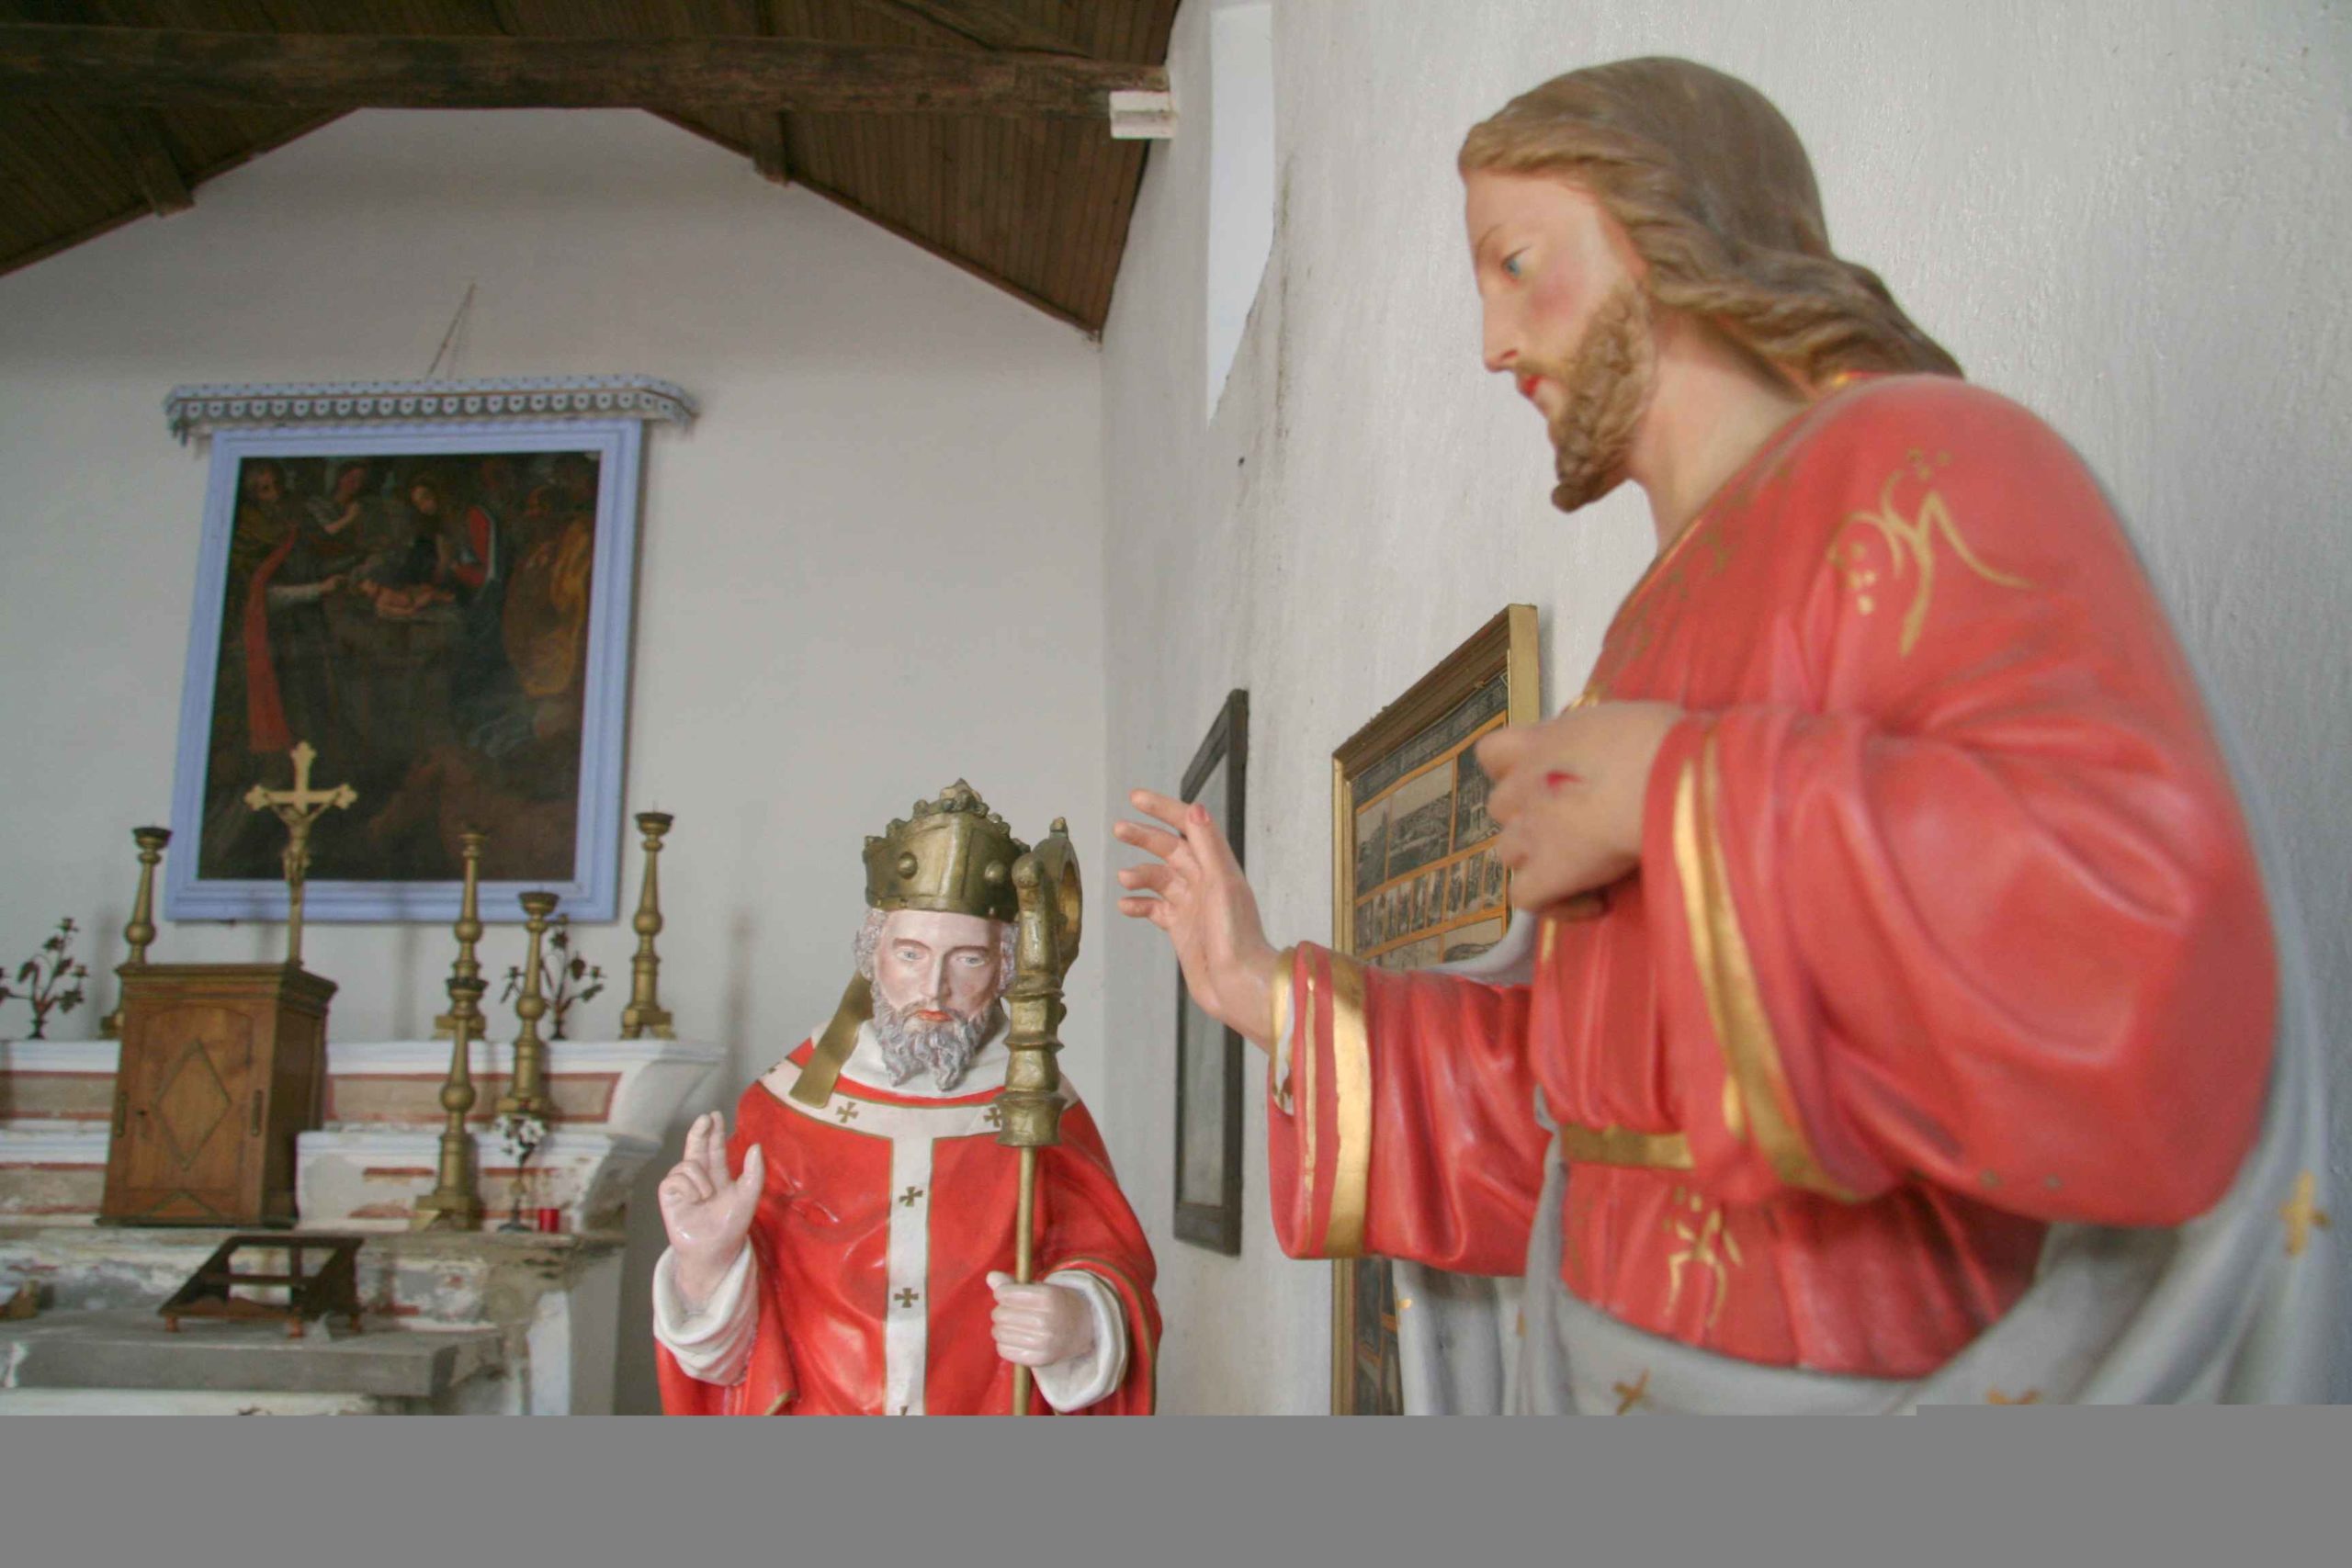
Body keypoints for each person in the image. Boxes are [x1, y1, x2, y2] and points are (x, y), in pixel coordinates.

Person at [1115, 58, 2333, 1409]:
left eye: (1521, 265)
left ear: (1673, 241)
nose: (1495, 344)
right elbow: (1594, 1116)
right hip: (1605, 1374)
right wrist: (1265, 993)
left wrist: (1675, 792)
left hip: (1842, 1374)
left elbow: (2138, 936)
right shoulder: (1655, 608)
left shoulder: (1931, 464)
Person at [652, 781, 1159, 1415]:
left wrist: (1079, 1320)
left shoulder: (1040, 1104)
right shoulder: (784, 1109)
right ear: (872, 955)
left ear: (1005, 968)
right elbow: (729, 1363)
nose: (935, 988)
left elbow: (1111, 1264)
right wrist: (705, 1266)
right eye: (911, 953)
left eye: (969, 958)